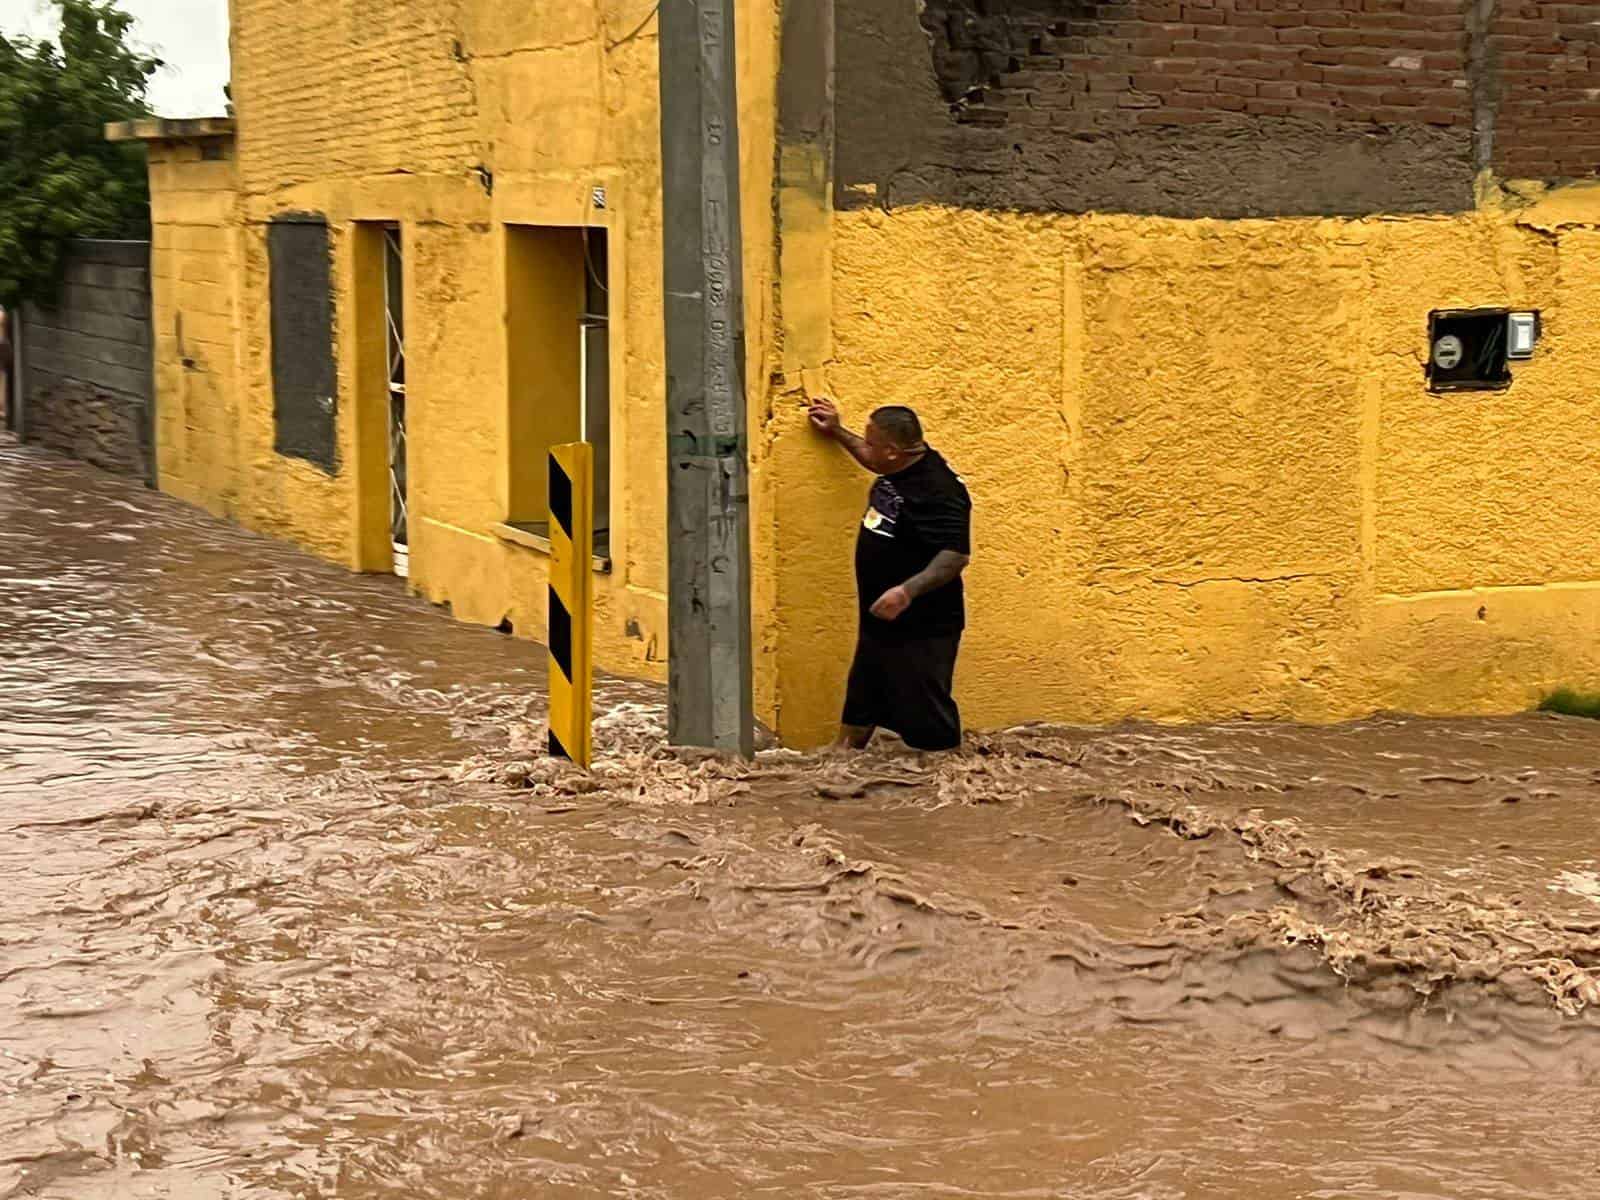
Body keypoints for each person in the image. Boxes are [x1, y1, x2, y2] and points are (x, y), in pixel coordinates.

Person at [808, 397, 972, 752]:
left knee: (930, 723)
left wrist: (906, 592)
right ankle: (840, 767)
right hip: (881, 618)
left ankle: (947, 792)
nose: (866, 448)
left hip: (922, 626)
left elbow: (956, 555)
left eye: (872, 442)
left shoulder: (940, 491)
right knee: (863, 699)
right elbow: (872, 458)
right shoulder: (897, 465)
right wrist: (836, 431)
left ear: (894, 451)